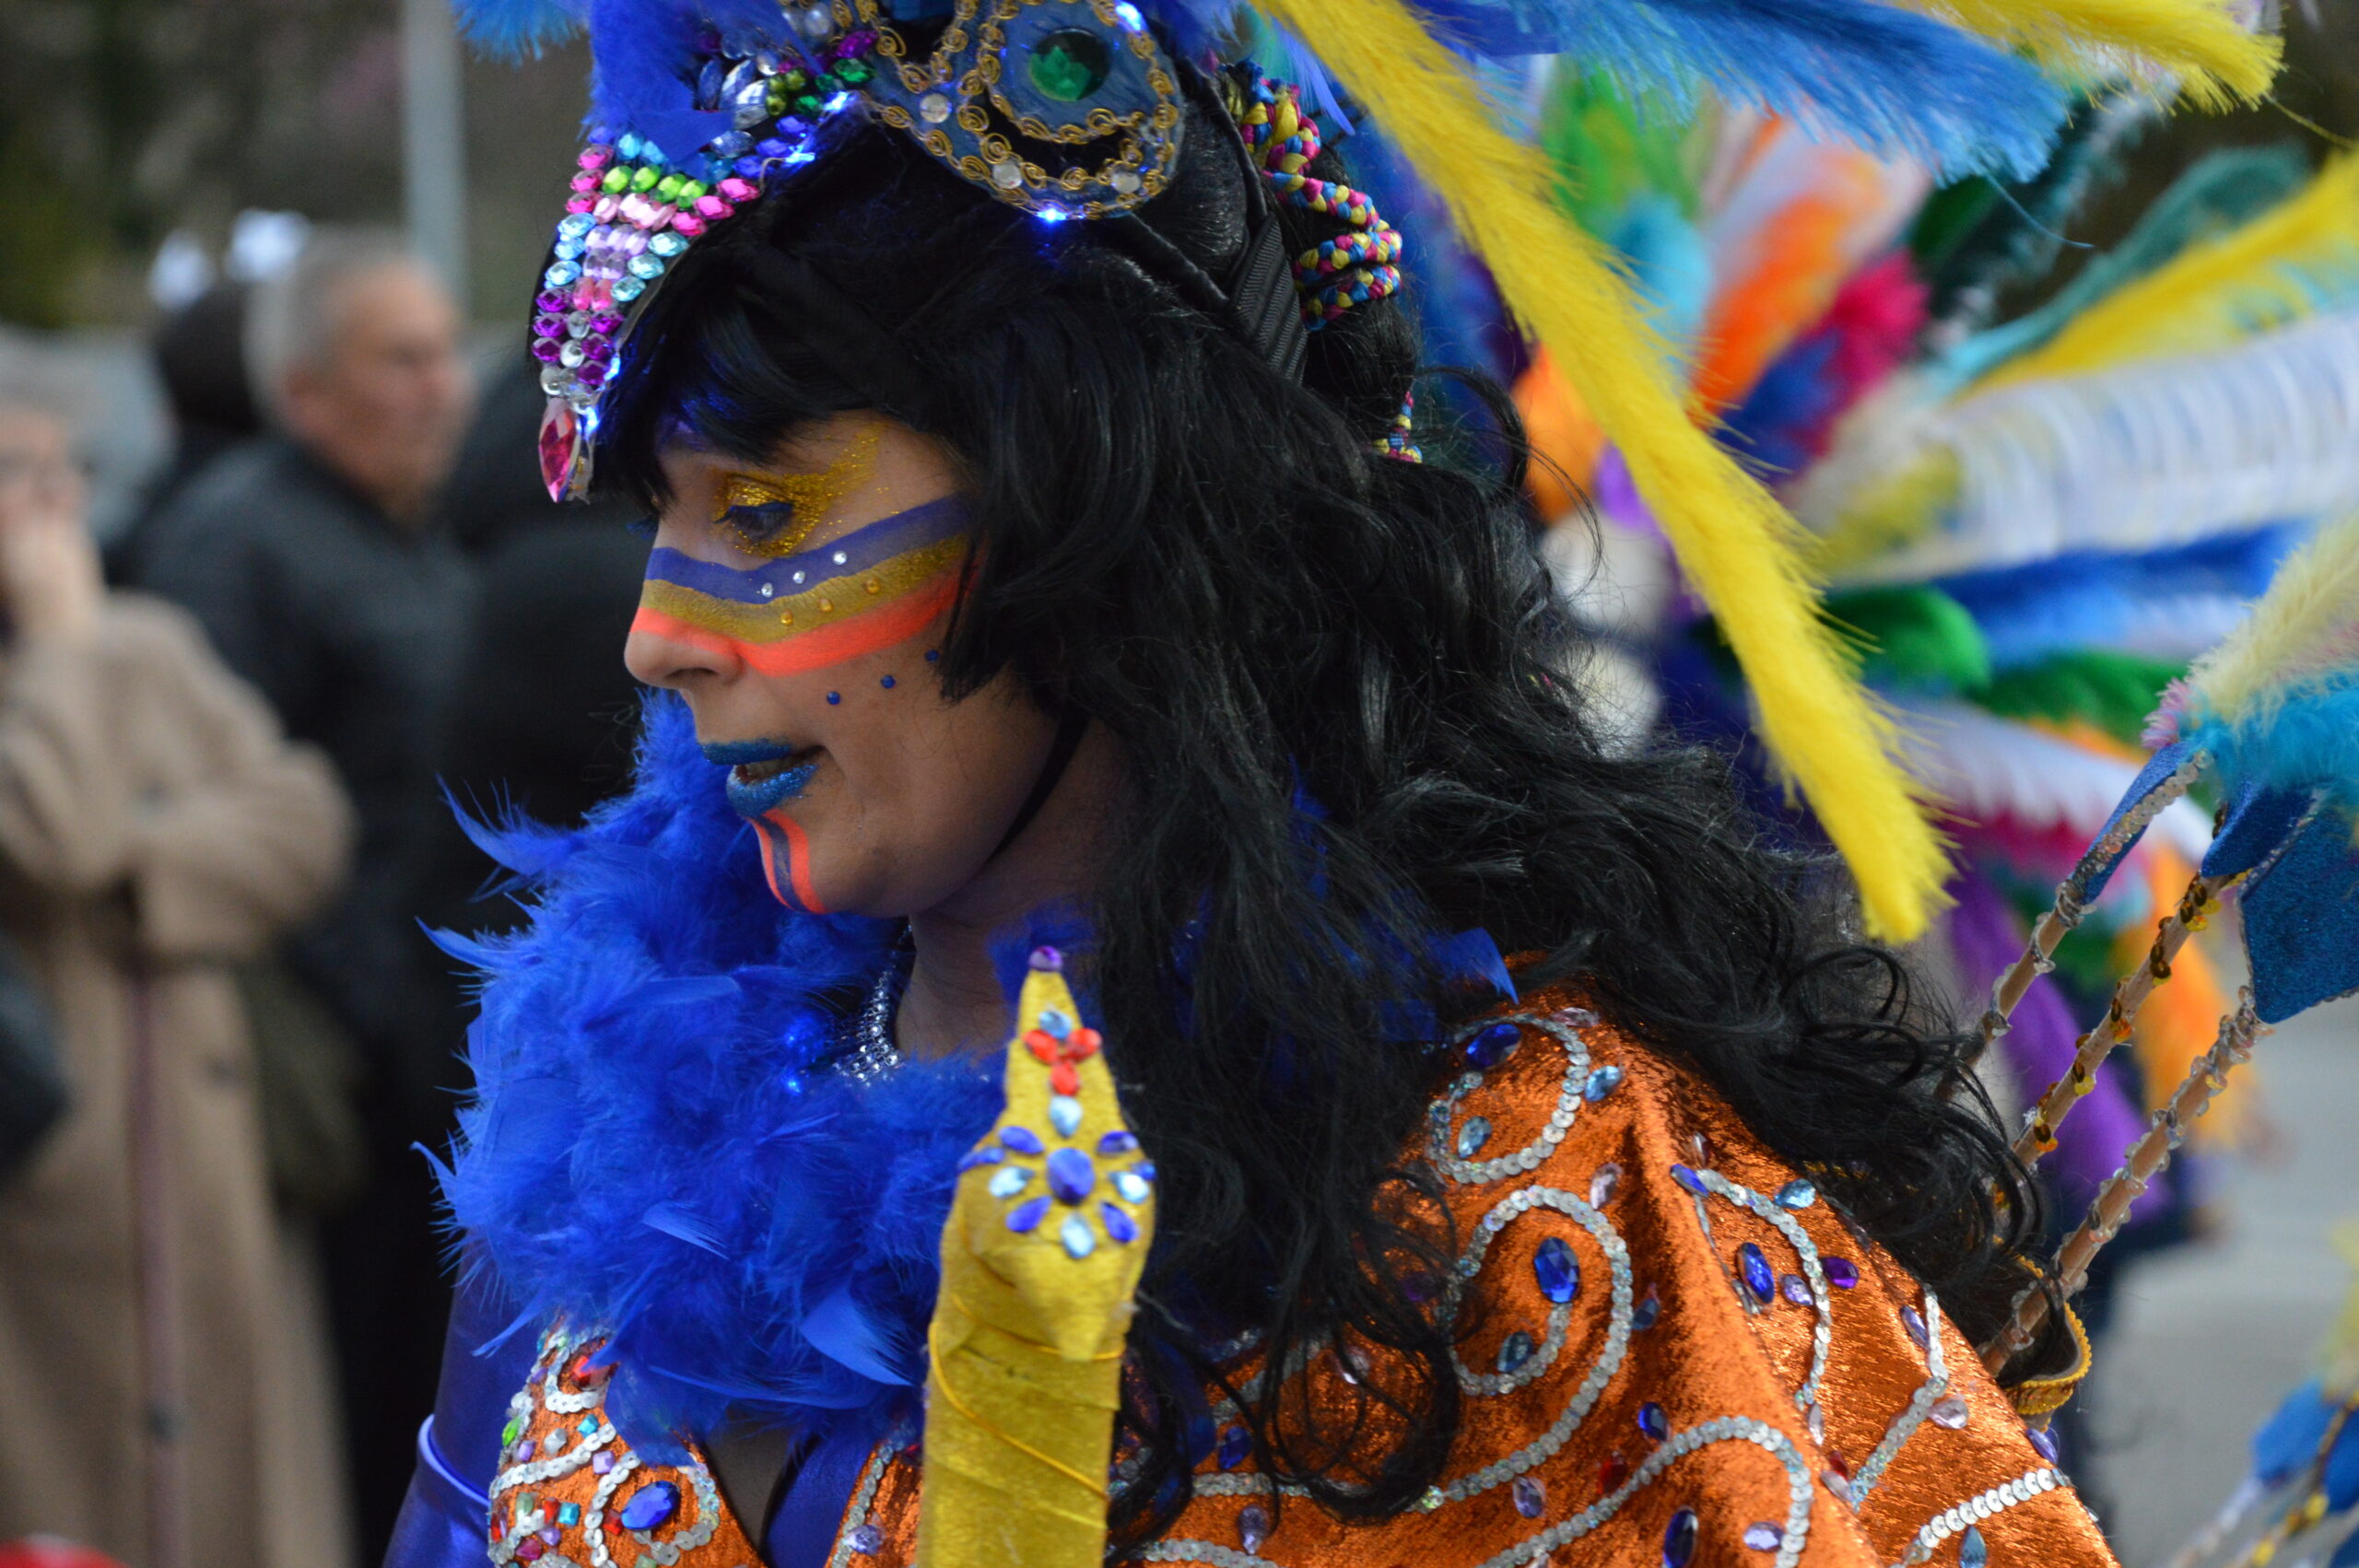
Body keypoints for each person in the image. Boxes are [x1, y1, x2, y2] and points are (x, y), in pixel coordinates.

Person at [384, 0, 2276, 1560]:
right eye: (666, 519)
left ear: (1103, 515)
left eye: (767, 509)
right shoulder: (614, 1119)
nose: (657, 633)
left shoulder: (1530, 1194)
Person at [134, 228, 477, 1562]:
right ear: (303, 390)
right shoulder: (235, 553)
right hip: (334, 1099)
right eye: (402, 358)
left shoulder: (409, 535)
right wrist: (360, 1021)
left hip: (419, 1074)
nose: (444, 385)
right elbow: (196, 826)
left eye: (447, 351)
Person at [0, 384, 356, 1568]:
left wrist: (141, 869)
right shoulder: (78, 649)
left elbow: (303, 818)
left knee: (228, 1494)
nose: (49, 513)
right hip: (49, 1186)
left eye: (63, 475)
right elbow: (49, 828)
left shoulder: (144, 645)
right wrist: (59, 650)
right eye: (17, 475)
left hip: (200, 1167)